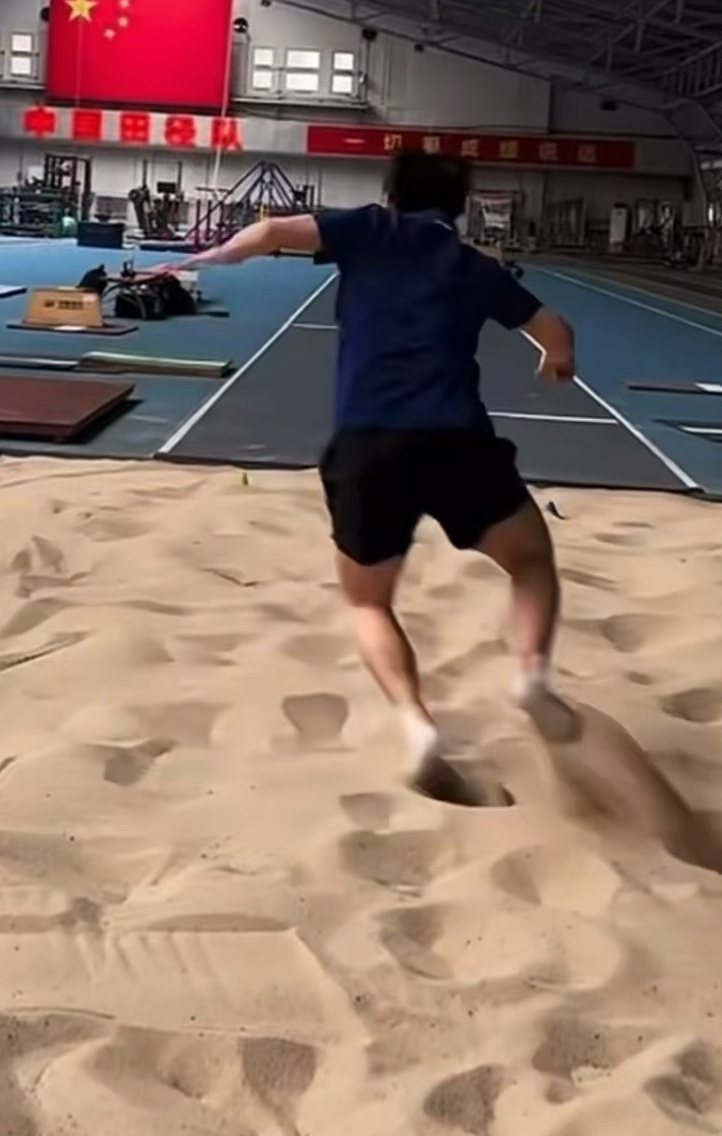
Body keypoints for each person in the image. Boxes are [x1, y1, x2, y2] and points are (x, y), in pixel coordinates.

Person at [183, 152, 578, 784]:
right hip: (458, 443)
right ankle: (531, 674)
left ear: (392, 196)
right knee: (530, 561)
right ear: (458, 209)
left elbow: (273, 232)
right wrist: (556, 358)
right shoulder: (474, 266)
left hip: (368, 446)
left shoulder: (368, 229)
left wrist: (219, 255)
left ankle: (418, 725)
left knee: (369, 603)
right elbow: (554, 329)